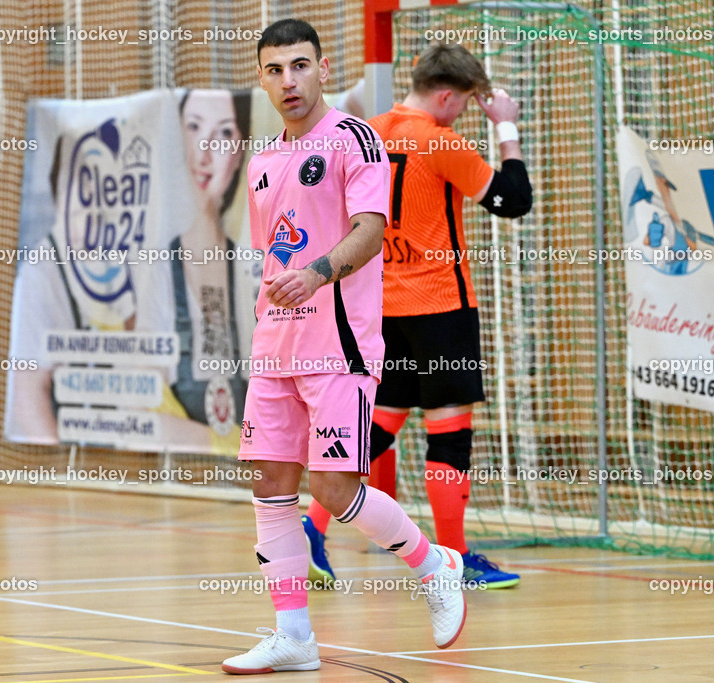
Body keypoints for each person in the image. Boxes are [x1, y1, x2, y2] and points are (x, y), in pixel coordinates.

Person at [221, 21, 466, 675]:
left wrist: (318, 273)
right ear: (263, 78)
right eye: (274, 70)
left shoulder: (353, 139)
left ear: (323, 68)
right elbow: (276, 250)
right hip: (276, 345)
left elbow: (370, 231)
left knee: (332, 486)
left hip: (339, 347)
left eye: (299, 66)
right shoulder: (263, 161)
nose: (288, 81)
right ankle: (293, 635)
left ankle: (434, 563)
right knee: (270, 482)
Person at [300, 44, 533, 591]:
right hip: (440, 306)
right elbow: (513, 200)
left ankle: (311, 528)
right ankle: (453, 556)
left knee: (382, 420)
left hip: (379, 306)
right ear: (447, 95)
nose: (463, 114)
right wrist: (505, 127)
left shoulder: (365, 133)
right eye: (466, 104)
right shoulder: (439, 141)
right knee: (448, 433)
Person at [168, 89, 255, 435]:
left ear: (239, 152)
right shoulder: (151, 263)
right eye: (193, 128)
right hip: (185, 467)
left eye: (222, 133)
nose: (204, 153)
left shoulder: (251, 263)